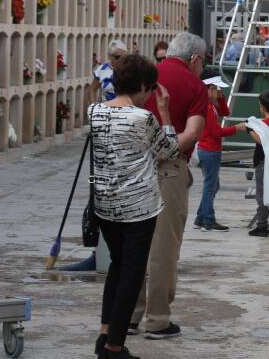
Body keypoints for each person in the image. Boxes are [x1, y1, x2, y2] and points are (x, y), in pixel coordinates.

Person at [89, 54, 180, 359]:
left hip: (105, 205)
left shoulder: (95, 112)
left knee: (117, 267)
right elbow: (169, 150)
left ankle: (105, 335)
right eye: (150, 86)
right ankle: (114, 346)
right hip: (139, 208)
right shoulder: (143, 118)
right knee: (132, 273)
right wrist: (165, 112)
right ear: (142, 84)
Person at [130, 32, 208, 339]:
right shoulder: (194, 85)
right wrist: (167, 150)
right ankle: (158, 318)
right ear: (195, 59)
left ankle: (130, 314)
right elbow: (193, 133)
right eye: (203, 62)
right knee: (163, 245)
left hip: (133, 164)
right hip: (168, 170)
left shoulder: (146, 76)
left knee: (134, 241)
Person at [236, 91, 269, 237]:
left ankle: (262, 226)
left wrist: (248, 129)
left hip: (263, 163)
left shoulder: (267, 125)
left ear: (263, 108)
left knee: (262, 194)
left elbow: (261, 140)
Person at [193, 72, 239, 232]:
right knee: (210, 186)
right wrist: (236, 128)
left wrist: (220, 97)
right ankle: (208, 220)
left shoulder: (211, 104)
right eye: (214, 88)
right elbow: (217, 132)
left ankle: (200, 217)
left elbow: (225, 112)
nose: (217, 91)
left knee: (212, 185)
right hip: (209, 150)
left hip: (210, 150)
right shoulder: (206, 107)